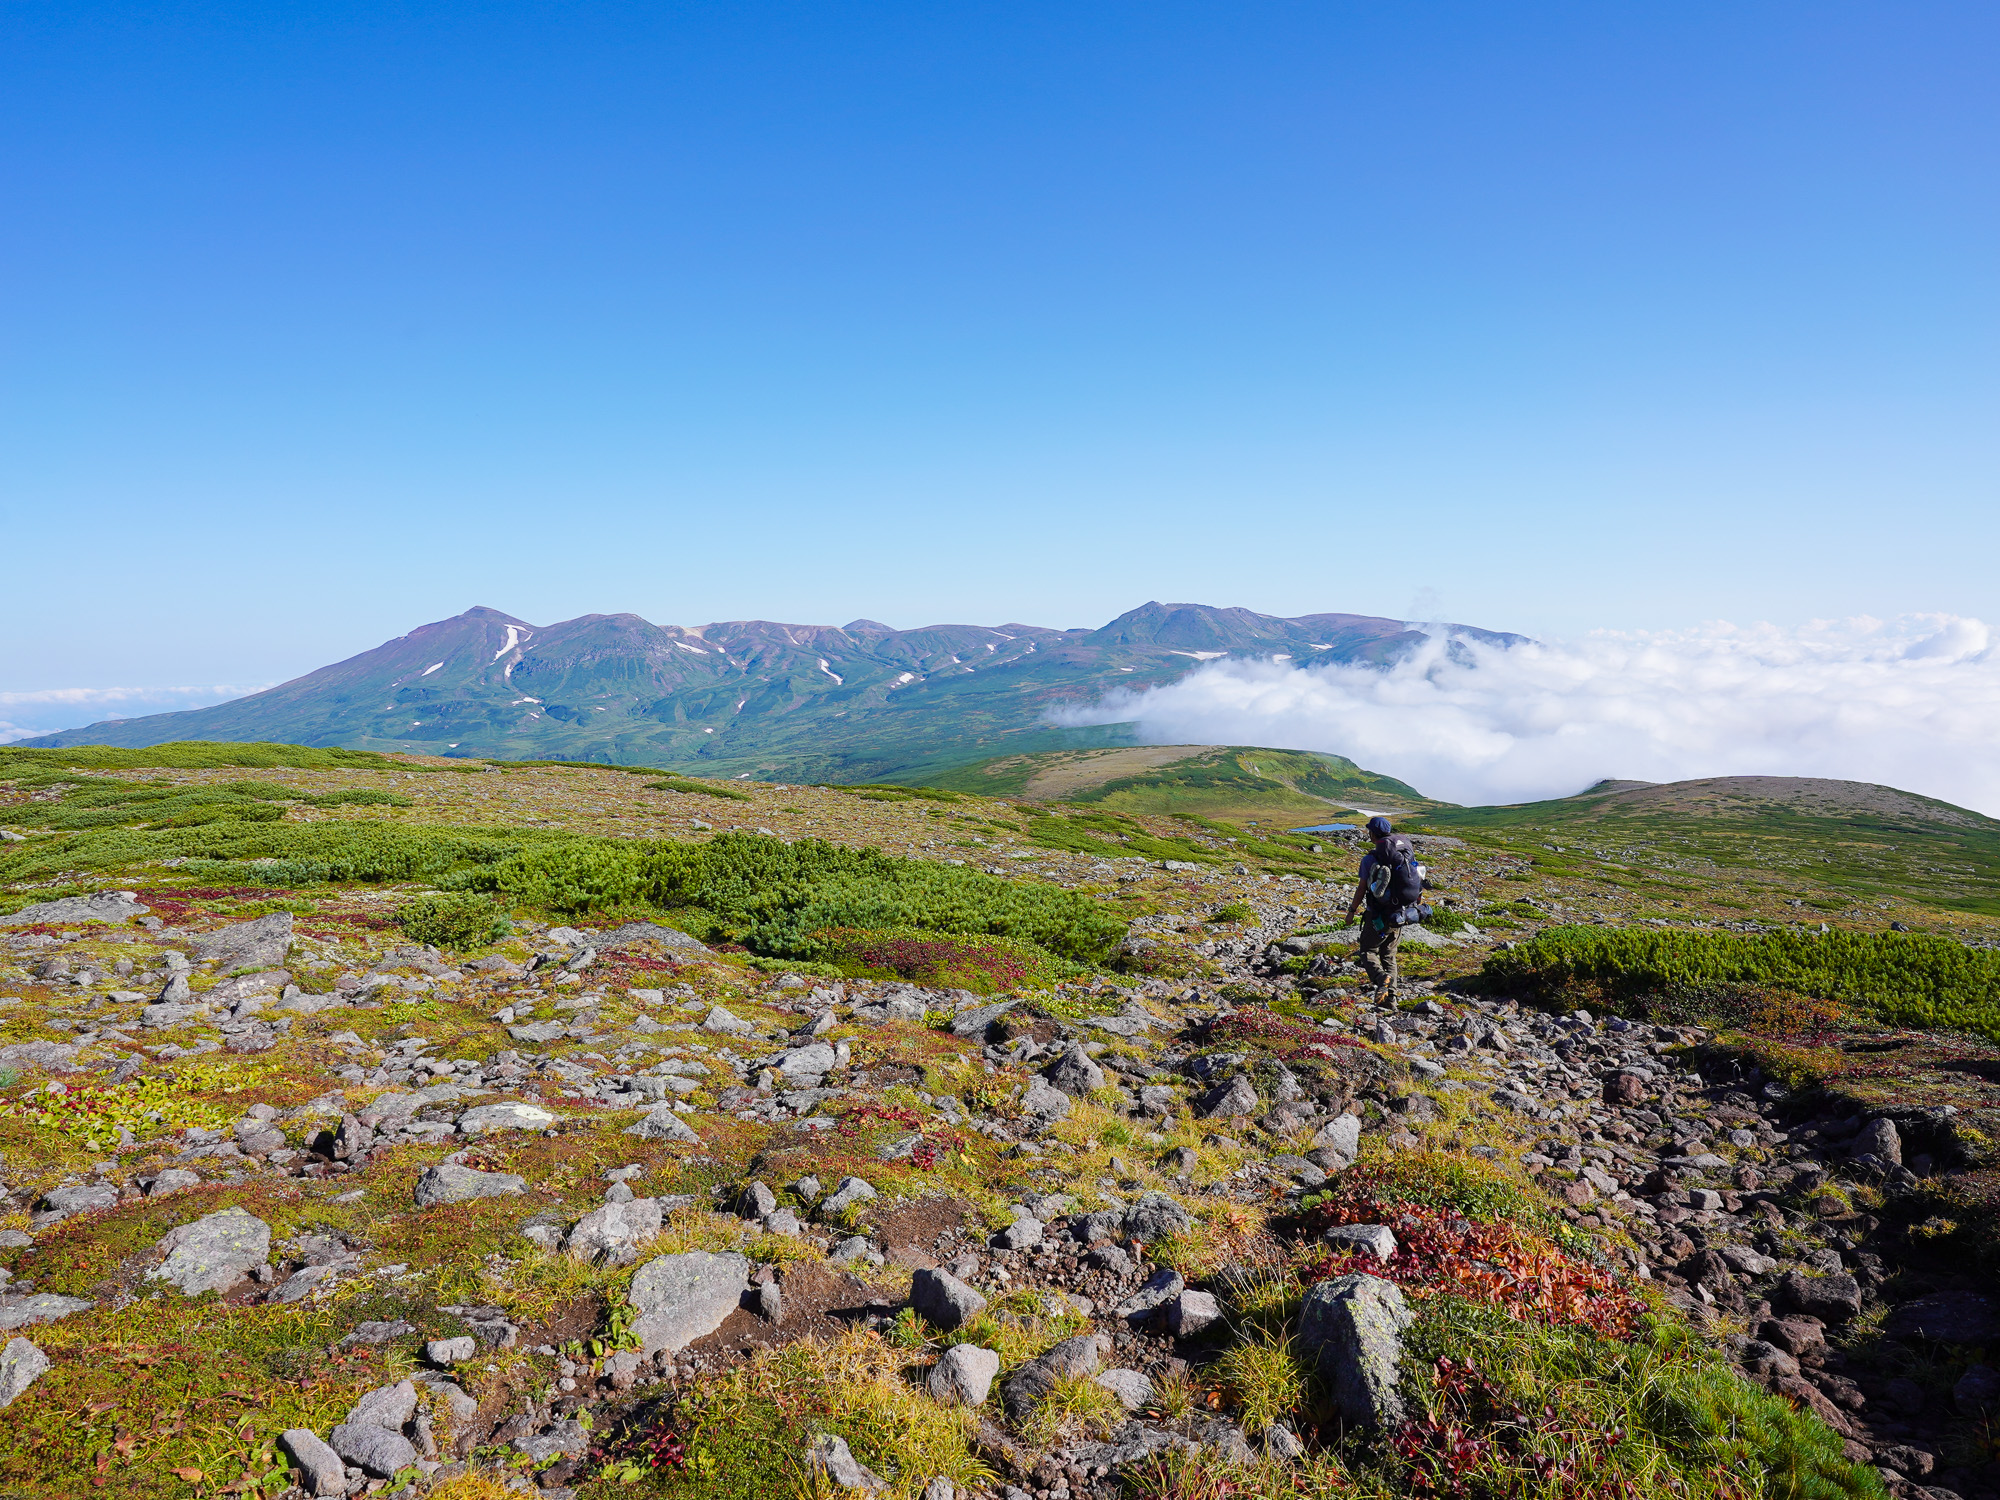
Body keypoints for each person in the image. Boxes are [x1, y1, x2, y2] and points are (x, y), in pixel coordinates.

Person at [1344, 815, 1420, 1002]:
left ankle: (1380, 978)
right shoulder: (1404, 855)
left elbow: (1362, 888)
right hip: (1400, 913)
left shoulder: (1370, 859)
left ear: (1372, 834)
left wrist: (1352, 911)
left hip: (1378, 915)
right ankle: (1391, 999)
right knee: (1389, 955)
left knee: (1367, 951)